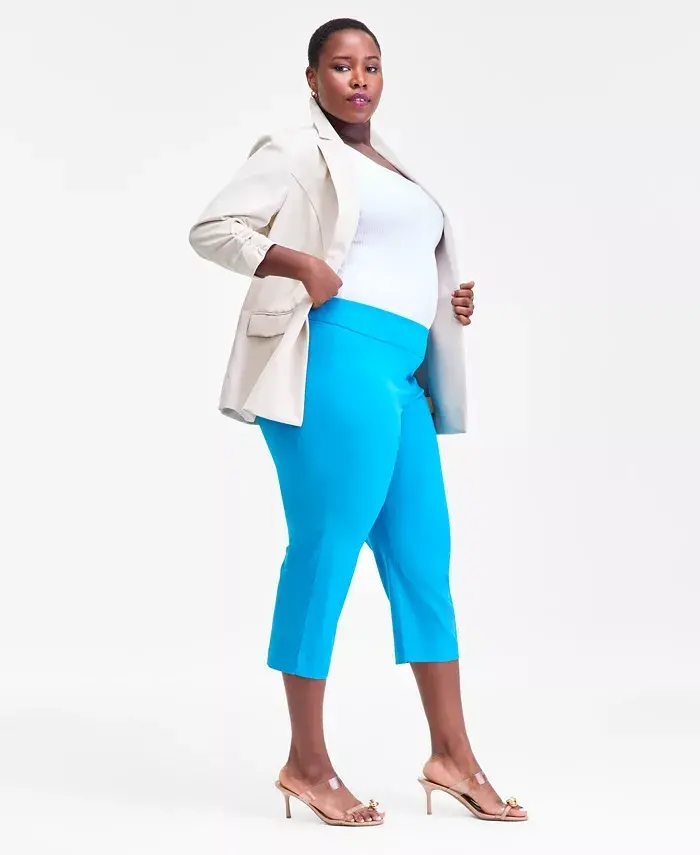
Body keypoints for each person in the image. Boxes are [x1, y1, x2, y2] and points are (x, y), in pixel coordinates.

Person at [188, 17, 527, 827]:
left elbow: (396, 258)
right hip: (334, 361)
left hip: (404, 377)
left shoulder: (392, 164)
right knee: (326, 548)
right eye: (342, 67)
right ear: (313, 78)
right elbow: (213, 230)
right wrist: (299, 263)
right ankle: (306, 763)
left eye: (371, 65)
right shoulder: (296, 151)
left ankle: (453, 756)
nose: (359, 79)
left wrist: (444, 302)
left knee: (423, 559)